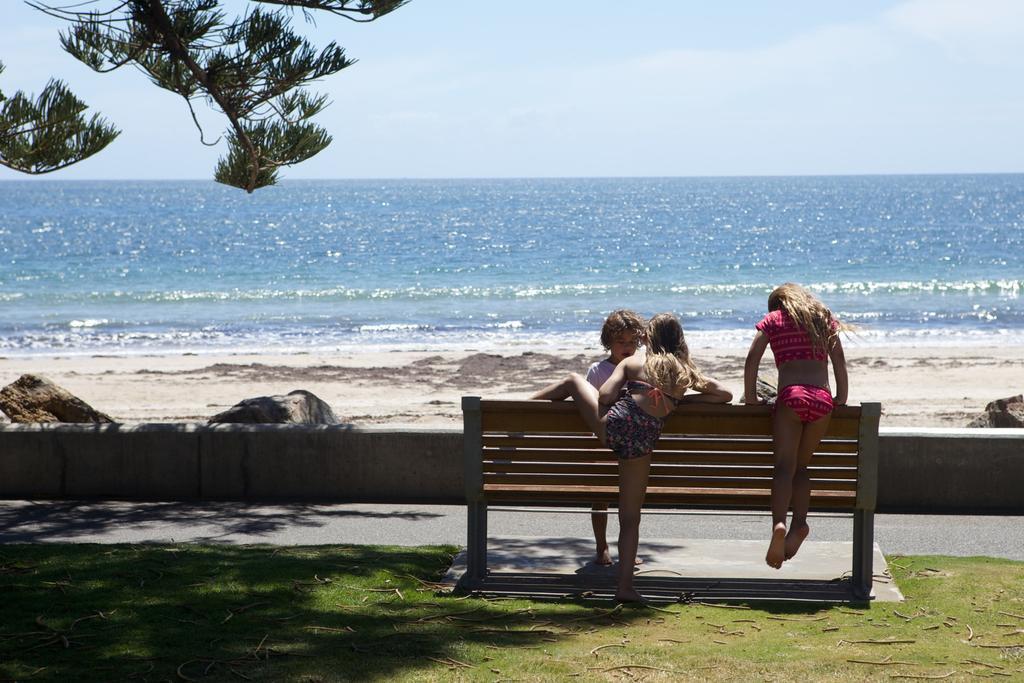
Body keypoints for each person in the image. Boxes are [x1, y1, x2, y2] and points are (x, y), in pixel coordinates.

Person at [532, 313, 732, 602]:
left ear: (648, 339)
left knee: (574, 380)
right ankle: (624, 587)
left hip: (613, 430)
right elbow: (724, 394)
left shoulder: (634, 362)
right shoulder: (684, 371)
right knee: (630, 518)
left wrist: (627, 391)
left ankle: (516, 410)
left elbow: (604, 396)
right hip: (642, 444)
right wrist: (677, 400)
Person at [743, 283, 851, 569]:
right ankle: (800, 523)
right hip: (821, 399)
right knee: (801, 467)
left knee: (784, 467)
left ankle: (779, 524)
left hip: (791, 397)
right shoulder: (822, 318)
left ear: (777, 304)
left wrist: (752, 397)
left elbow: (753, 357)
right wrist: (842, 395)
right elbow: (838, 358)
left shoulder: (774, 320)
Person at [584, 309, 647, 566]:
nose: (627, 347)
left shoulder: (639, 369)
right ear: (608, 341)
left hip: (627, 447)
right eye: (621, 341)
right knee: (601, 497)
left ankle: (626, 550)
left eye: (633, 342)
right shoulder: (598, 371)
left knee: (627, 501)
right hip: (605, 445)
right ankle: (602, 546)